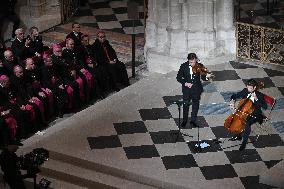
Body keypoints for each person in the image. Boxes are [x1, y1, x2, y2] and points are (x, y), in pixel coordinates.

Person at [229, 79, 267, 151]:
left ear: (255, 88)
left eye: (250, 88)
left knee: (246, 124)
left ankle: (244, 142)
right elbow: (235, 95)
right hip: (245, 112)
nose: (248, 89)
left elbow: (265, 107)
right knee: (237, 119)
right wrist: (232, 100)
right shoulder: (245, 90)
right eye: (247, 87)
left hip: (256, 114)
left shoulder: (260, 95)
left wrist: (256, 98)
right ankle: (238, 135)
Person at [176, 53, 213, 128]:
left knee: (195, 105)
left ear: (196, 59)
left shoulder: (200, 66)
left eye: (193, 62)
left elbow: (203, 78)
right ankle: (185, 120)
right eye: (190, 62)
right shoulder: (183, 66)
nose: (192, 64)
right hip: (186, 89)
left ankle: (193, 120)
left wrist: (207, 77)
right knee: (186, 104)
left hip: (196, 89)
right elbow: (178, 78)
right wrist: (185, 83)